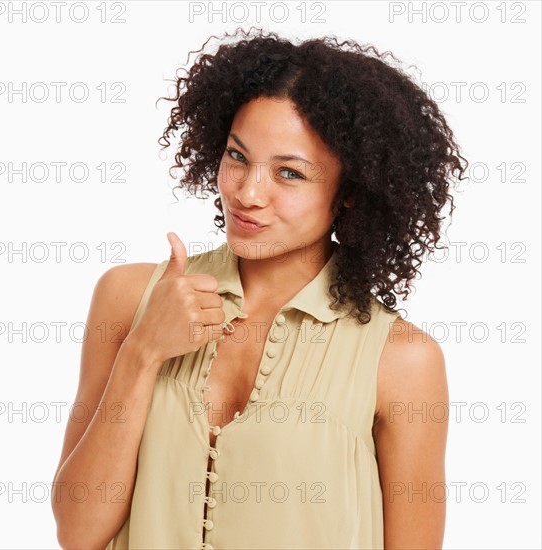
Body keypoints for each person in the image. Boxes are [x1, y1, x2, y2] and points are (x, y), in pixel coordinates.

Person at [51, 27, 467, 549]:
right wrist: (143, 351)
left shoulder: (402, 360)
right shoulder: (129, 296)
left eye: (289, 174)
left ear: (351, 195)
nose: (248, 193)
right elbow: (77, 532)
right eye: (238, 157)